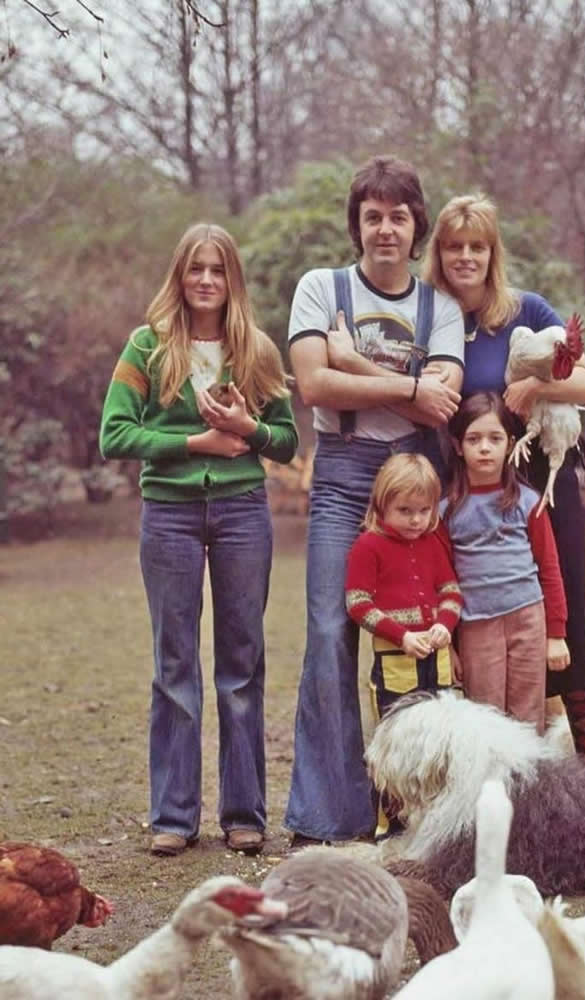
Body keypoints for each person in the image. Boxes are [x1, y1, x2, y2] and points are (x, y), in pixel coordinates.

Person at [99, 222, 298, 857]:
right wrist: (195, 443)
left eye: (217, 270)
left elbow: (288, 442)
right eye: (195, 269)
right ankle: (173, 817)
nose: (206, 280)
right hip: (170, 513)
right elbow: (115, 435)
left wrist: (249, 428)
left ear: (232, 278)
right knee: (174, 665)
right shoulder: (148, 347)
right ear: (179, 277)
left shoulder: (256, 351)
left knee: (242, 665)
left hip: (242, 510)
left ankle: (244, 814)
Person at [285, 155, 464, 846]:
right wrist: (407, 386)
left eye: (398, 216)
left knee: (426, 632)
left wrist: (354, 363)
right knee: (332, 631)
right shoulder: (320, 288)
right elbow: (313, 386)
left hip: (416, 478)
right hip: (342, 472)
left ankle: (421, 803)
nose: (385, 229)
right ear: (356, 225)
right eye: (372, 217)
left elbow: (442, 396)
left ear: (416, 224)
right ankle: (331, 815)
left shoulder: (438, 307)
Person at [423, 194, 585, 756]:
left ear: (492, 252)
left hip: (543, 481)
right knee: (479, 618)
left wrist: (538, 386)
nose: (466, 257)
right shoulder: (431, 317)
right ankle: (487, 760)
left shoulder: (526, 310)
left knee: (563, 615)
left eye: (478, 246)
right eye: (454, 246)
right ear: (439, 253)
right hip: (473, 490)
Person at [440, 393, 567, 733]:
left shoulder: (528, 502)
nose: (484, 448)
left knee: (528, 717)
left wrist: (556, 634)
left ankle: (529, 787)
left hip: (527, 618)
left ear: (510, 444)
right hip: (476, 625)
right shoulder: (445, 511)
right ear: (456, 445)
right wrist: (450, 646)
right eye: (474, 439)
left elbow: (550, 570)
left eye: (495, 439)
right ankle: (490, 786)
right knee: (485, 719)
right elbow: (442, 582)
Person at [345, 452, 463, 719]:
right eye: (405, 510)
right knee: (397, 735)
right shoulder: (368, 546)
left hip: (438, 659)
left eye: (425, 510)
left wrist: (445, 624)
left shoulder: (432, 542)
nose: (416, 520)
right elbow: (358, 604)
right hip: (396, 661)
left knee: (441, 732)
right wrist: (402, 636)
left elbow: (451, 591)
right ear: (381, 505)